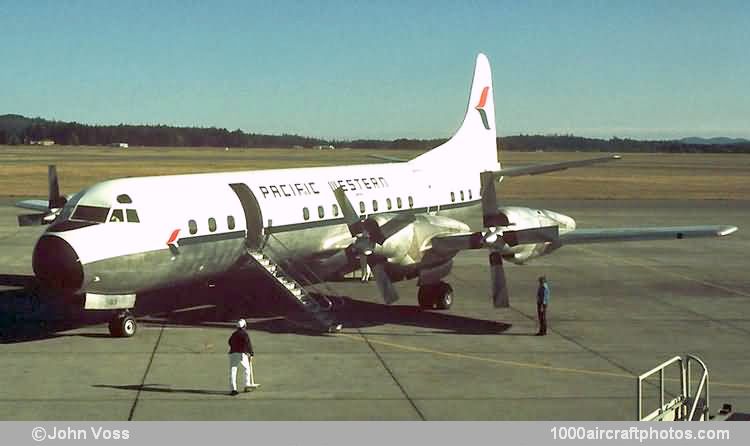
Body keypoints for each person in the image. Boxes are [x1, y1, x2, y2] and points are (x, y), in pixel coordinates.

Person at [228, 319, 258, 395]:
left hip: (233, 354)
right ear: (244, 326)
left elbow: (229, 342)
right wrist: (251, 353)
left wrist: (234, 347)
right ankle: (247, 384)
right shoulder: (244, 334)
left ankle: (233, 389)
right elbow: (248, 343)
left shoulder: (234, 334)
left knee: (233, 371)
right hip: (241, 354)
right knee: (247, 368)